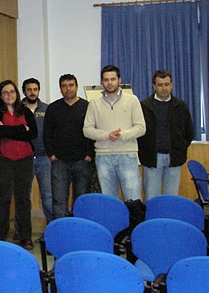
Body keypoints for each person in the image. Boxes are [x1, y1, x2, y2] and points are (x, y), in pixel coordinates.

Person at [83, 65, 146, 201]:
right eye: (106, 80)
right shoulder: (94, 103)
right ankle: (113, 223)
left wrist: (122, 135)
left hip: (127, 155)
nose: (109, 83)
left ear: (119, 80)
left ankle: (134, 223)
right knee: (109, 201)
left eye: (113, 79)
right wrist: (107, 135)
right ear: (102, 82)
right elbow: (87, 130)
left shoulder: (132, 100)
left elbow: (141, 127)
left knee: (133, 199)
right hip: (103, 157)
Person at [0, 80, 37, 250]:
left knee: (23, 198)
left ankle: (25, 236)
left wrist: (9, 131)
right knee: (4, 198)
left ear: (17, 94)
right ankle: (1, 235)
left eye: (12, 92)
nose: (9, 95)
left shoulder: (25, 111)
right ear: (0, 96)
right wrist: (21, 129)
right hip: (3, 159)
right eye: (5, 92)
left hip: (24, 159)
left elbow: (33, 133)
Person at [44, 74, 95, 219]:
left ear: (77, 86)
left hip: (82, 161)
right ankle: (61, 232)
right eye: (64, 86)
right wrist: (52, 156)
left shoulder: (87, 107)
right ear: (60, 88)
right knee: (59, 201)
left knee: (81, 201)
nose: (68, 89)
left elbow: (93, 133)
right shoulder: (53, 108)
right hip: (59, 161)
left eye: (71, 85)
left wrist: (89, 155)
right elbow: (47, 134)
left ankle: (80, 232)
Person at [138, 70, 194, 201]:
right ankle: (153, 221)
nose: (164, 88)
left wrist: (180, 148)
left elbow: (189, 132)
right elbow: (139, 133)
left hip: (174, 158)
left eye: (167, 84)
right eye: (160, 85)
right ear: (154, 86)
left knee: (171, 198)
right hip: (151, 158)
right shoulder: (144, 106)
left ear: (172, 85)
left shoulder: (181, 106)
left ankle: (170, 221)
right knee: (151, 198)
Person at [21, 78, 53, 225]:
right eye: (29, 89)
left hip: (44, 158)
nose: (32, 93)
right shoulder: (17, 110)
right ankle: (22, 231)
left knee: (48, 196)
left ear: (39, 90)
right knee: (23, 196)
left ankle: (53, 228)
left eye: (35, 89)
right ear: (24, 91)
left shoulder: (47, 109)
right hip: (24, 159)